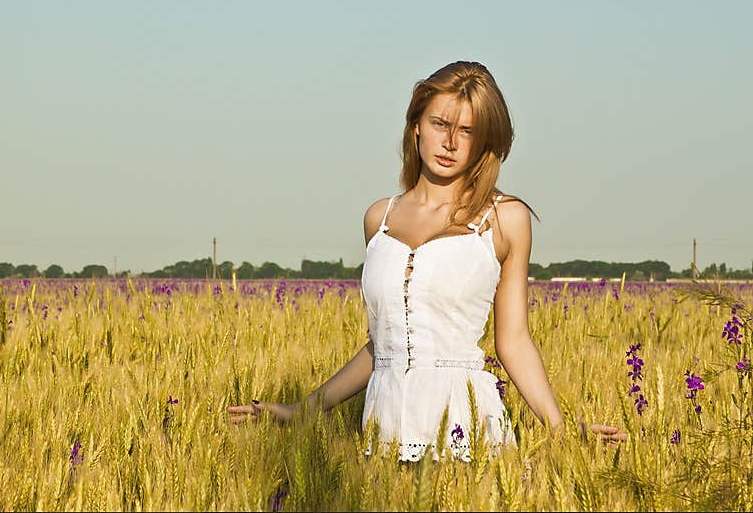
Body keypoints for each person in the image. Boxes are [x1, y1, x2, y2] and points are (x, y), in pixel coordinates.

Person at [228, 60, 627, 462]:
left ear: (485, 141)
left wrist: (560, 430)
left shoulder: (505, 219)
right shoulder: (378, 219)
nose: (451, 142)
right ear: (416, 124)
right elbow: (385, 344)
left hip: (467, 429)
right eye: (440, 124)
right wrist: (302, 411)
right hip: (384, 427)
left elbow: (513, 341)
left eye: (467, 131)